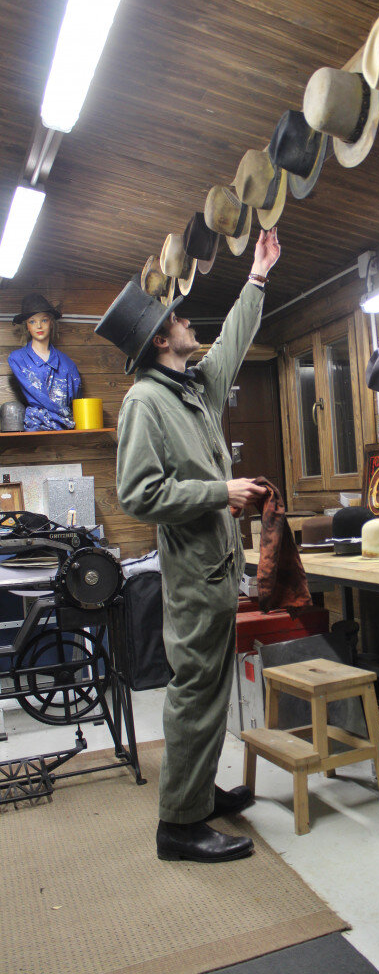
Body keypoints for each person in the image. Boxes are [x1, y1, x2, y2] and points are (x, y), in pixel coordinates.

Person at [105, 228, 280, 863]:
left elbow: (233, 339)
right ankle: (178, 826)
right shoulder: (144, 404)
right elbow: (139, 495)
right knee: (194, 693)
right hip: (194, 575)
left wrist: (258, 275)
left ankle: (199, 792)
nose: (184, 321)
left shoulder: (192, 387)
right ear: (159, 340)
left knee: (208, 691)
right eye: (175, 318)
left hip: (216, 570)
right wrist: (218, 493)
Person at [8, 293, 81, 429]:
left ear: (51, 323)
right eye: (32, 321)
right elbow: (33, 394)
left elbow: (75, 398)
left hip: (65, 427)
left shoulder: (68, 364)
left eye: (44, 320)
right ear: (27, 326)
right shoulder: (17, 359)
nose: (39, 326)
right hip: (35, 426)